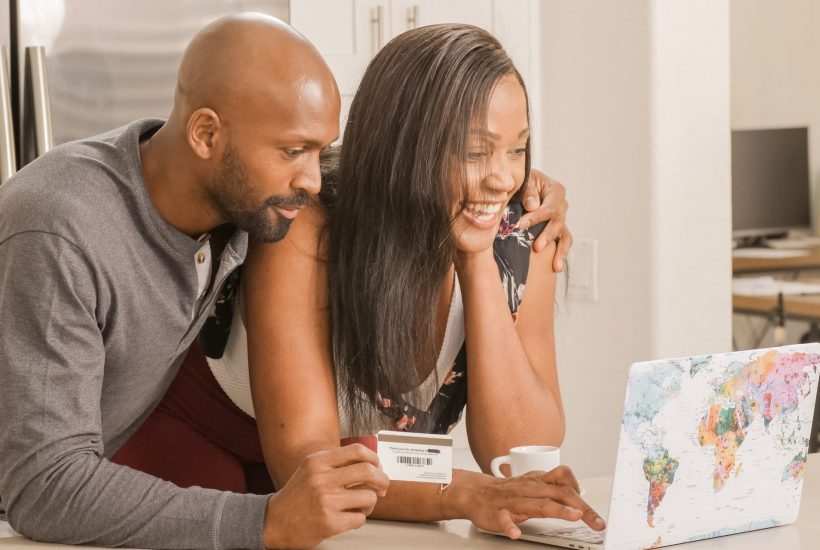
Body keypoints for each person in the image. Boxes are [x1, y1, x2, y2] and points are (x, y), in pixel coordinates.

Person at [112, 23, 605, 541]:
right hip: (200, 434)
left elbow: (519, 453)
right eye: (475, 152)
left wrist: (476, 259)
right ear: (403, 151)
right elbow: (309, 467)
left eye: (517, 149)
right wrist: (464, 493)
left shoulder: (524, 233)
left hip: (351, 459)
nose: (505, 179)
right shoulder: (306, 226)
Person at [0, 13, 390, 550]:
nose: (312, 180)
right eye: (292, 151)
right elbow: (44, 485)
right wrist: (264, 522)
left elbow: (390, 183)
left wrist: (521, 198)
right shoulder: (62, 227)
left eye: (319, 151)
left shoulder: (239, 197)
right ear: (205, 134)